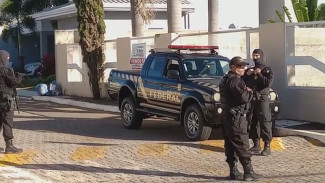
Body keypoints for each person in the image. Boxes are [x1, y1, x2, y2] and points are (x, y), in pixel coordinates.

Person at [219, 56, 260, 181]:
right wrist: (249, 91)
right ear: (233, 67)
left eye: (244, 66)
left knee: (231, 145)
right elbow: (244, 98)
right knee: (242, 143)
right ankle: (248, 172)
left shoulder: (226, 79)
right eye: (241, 67)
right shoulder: (234, 80)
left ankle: (234, 171)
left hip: (228, 116)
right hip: (236, 117)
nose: (243, 69)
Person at [242, 49, 274, 156]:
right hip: (252, 99)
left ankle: (267, 146)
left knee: (264, 121)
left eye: (257, 55)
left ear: (261, 56)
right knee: (253, 121)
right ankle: (256, 144)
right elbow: (242, 82)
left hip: (262, 99)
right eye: (253, 56)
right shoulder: (251, 69)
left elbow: (267, 83)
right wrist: (247, 74)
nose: (255, 58)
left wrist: (259, 74)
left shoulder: (267, 70)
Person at [0, 50, 24, 154]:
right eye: (7, 58)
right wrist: (20, 76)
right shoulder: (5, 71)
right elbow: (14, 82)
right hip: (6, 101)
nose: (8, 60)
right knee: (7, 122)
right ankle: (9, 146)